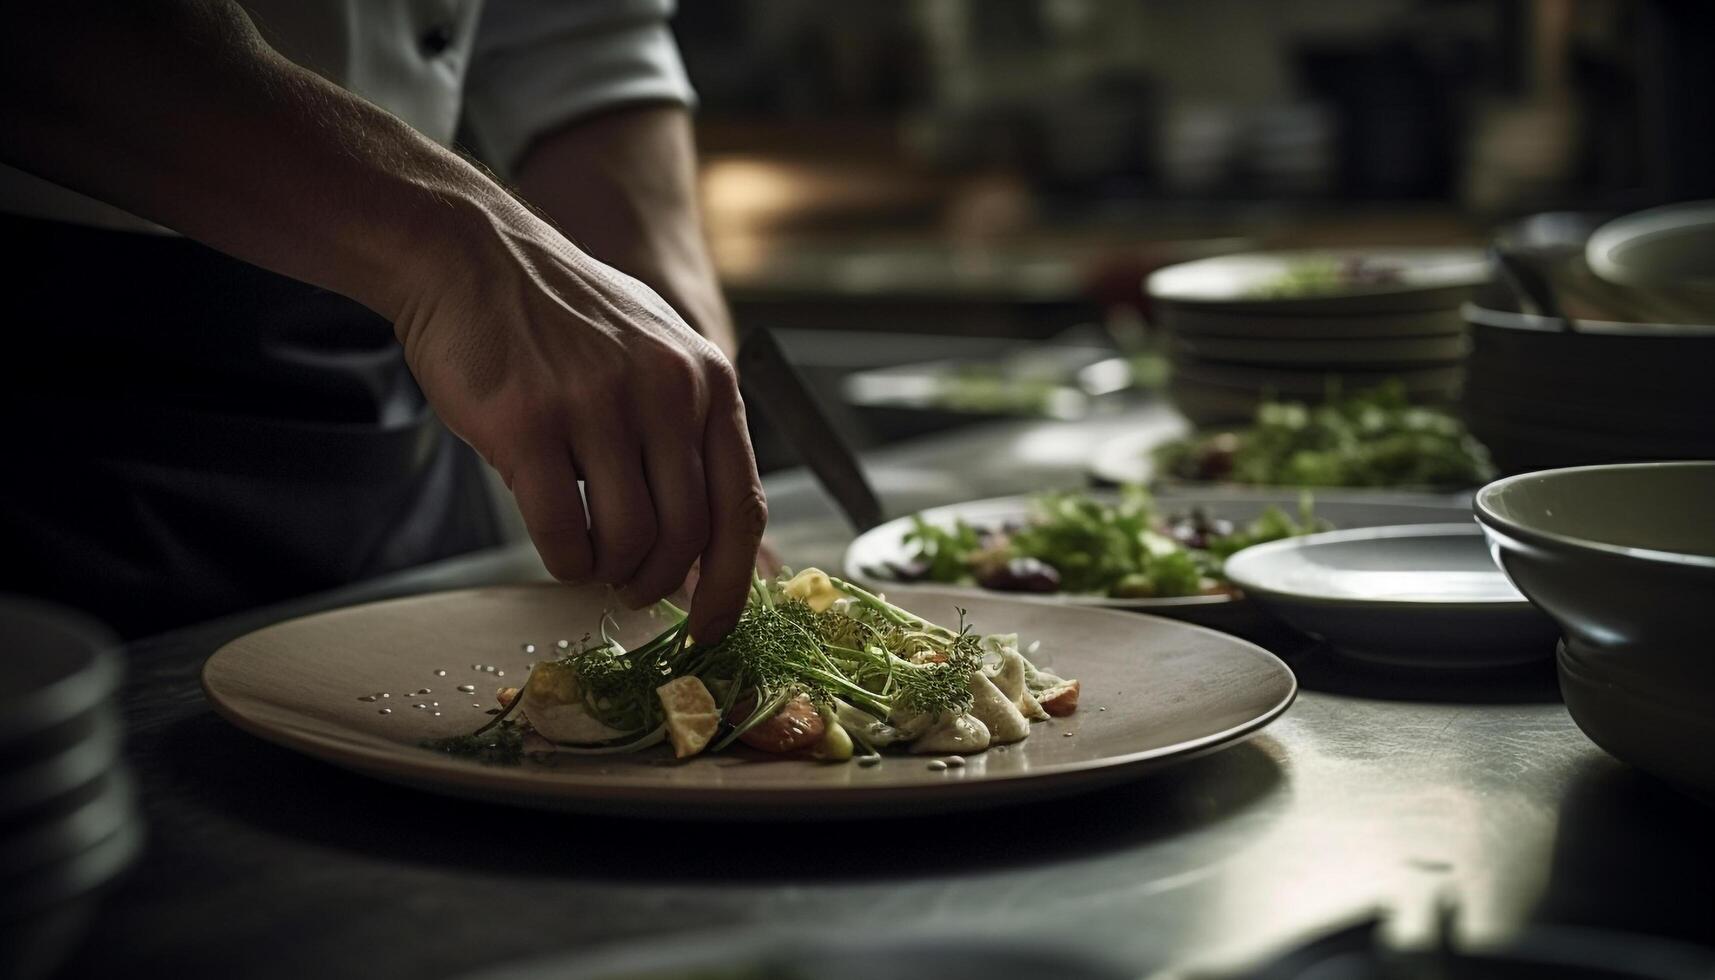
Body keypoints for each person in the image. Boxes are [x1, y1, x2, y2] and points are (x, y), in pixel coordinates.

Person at [0, 0, 766, 640]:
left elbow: (577, 33)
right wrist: (454, 244)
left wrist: (672, 342)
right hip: (58, 386)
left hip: (395, 410)